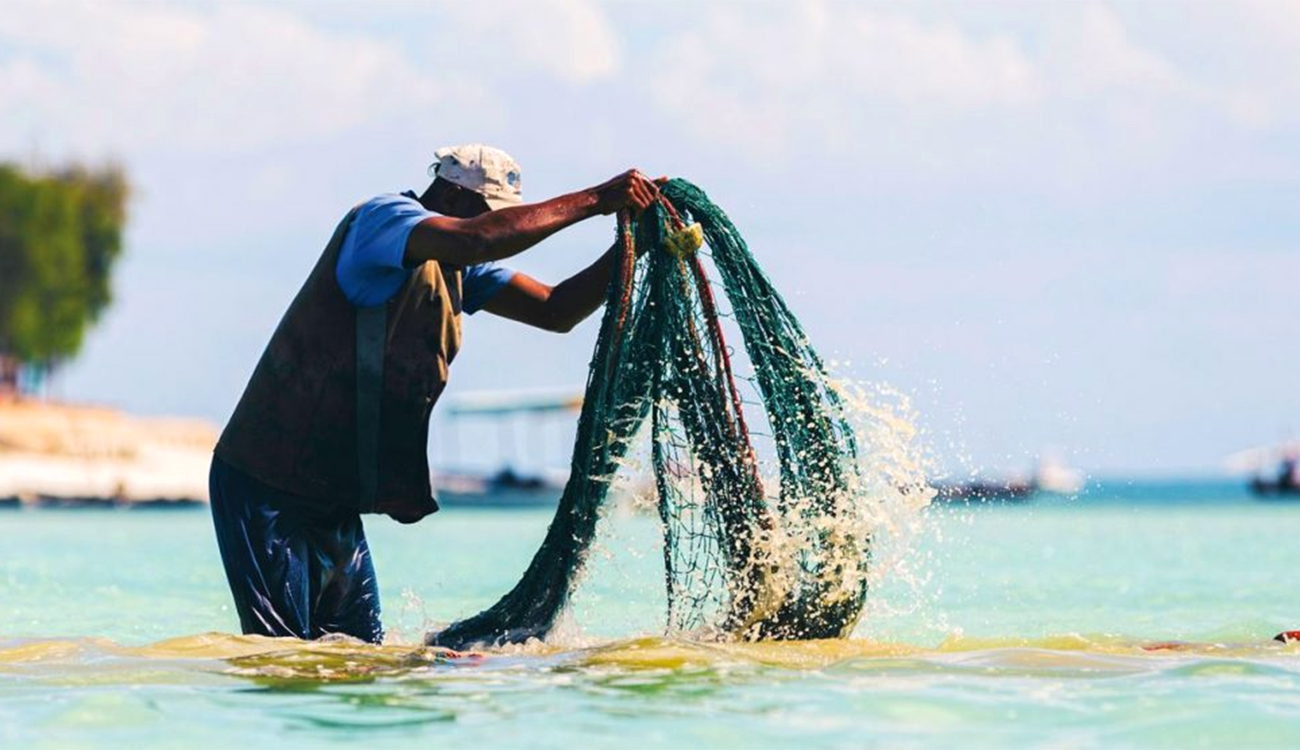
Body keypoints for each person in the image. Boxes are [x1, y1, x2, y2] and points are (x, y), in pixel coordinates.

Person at [208, 144, 661, 643]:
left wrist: (633, 246)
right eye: (488, 215)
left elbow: (557, 310)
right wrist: (598, 198)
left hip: (331, 495)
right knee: (283, 655)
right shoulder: (383, 221)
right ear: (448, 194)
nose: (496, 232)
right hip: (266, 481)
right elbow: (477, 240)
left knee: (359, 657)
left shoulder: (460, 267)